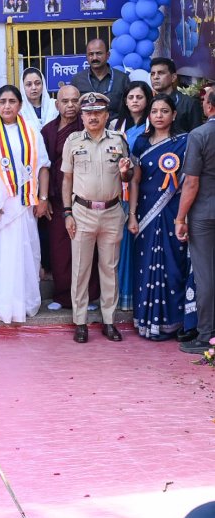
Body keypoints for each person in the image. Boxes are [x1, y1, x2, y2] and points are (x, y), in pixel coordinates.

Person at [0, 85, 50, 324]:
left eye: (12, 101)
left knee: (25, 252)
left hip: (24, 203)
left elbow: (43, 166)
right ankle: (0, 303)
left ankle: (24, 302)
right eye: (2, 101)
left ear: (20, 104)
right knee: (1, 255)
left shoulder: (31, 130)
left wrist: (43, 199)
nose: (7, 106)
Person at [62, 92, 134, 342]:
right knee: (80, 269)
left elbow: (126, 179)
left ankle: (109, 320)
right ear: (81, 116)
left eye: (98, 112)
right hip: (82, 211)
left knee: (109, 268)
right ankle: (80, 322)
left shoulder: (118, 140)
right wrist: (67, 213)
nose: (93, 117)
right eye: (88, 112)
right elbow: (67, 179)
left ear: (106, 116)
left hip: (112, 212)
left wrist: (126, 173)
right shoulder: (73, 141)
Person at [127, 94, 190, 340]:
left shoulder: (184, 142)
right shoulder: (141, 143)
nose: (159, 116)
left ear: (174, 115)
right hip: (145, 213)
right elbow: (135, 180)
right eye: (155, 112)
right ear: (149, 116)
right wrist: (132, 215)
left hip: (174, 212)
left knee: (174, 265)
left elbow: (190, 181)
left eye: (165, 111)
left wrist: (184, 217)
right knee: (145, 265)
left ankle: (173, 322)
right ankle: (147, 321)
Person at [42, 85, 98, 310]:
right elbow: (42, 165)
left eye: (75, 101)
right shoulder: (48, 131)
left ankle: (89, 295)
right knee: (60, 248)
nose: (70, 106)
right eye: (65, 101)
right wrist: (43, 197)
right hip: (57, 198)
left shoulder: (88, 129)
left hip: (84, 196)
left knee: (86, 248)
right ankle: (62, 295)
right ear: (57, 104)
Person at [175, 88, 215, 354]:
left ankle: (205, 335)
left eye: (204, 99)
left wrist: (180, 218)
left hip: (204, 213)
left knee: (205, 275)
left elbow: (191, 182)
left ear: (210, 107)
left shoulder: (199, 135)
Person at [110, 81, 153, 312]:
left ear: (147, 99)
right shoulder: (115, 125)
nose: (135, 101)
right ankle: (123, 297)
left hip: (149, 191)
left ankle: (144, 296)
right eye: (131, 97)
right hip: (120, 192)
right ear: (125, 100)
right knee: (122, 245)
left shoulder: (153, 126)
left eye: (140, 97)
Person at [70, 38, 130, 117]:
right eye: (91, 54)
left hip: (115, 127)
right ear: (87, 57)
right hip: (85, 127)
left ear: (108, 55)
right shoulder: (77, 79)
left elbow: (129, 108)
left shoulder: (122, 79)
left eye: (99, 53)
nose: (95, 58)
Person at [150, 57, 204, 134]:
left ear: (173, 77)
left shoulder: (189, 103)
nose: (155, 77)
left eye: (161, 73)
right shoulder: (149, 102)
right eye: (152, 74)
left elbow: (197, 137)